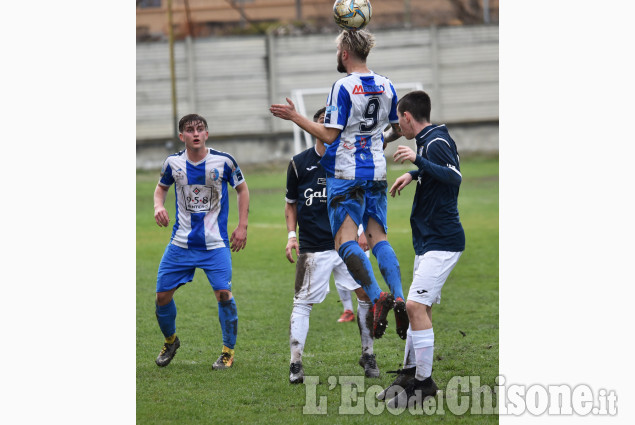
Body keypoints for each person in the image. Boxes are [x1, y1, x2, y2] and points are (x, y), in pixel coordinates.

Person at [270, 29, 408, 341]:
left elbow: (330, 135)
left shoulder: (342, 86)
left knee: (344, 242)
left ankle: (376, 297)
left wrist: (295, 116)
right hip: (376, 170)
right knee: (378, 238)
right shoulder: (386, 84)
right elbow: (398, 129)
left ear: (344, 52)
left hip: (346, 173)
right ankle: (398, 295)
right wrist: (376, 140)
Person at [377, 91, 465, 408]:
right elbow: (438, 169)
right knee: (421, 310)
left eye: (399, 119)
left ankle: (424, 384)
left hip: (442, 241)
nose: (398, 125)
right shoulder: (432, 139)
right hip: (429, 241)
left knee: (414, 307)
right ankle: (410, 374)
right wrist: (414, 175)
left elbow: (454, 177)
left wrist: (417, 161)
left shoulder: (434, 142)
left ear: (407, 116)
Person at [285, 107, 379, 383]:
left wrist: (363, 231)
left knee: (367, 296)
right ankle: (295, 362)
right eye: (321, 123)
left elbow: (361, 199)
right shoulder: (298, 164)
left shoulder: (351, 162)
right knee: (302, 303)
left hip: (349, 244)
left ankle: (368, 353)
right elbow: (291, 205)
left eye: (331, 124)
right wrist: (291, 236)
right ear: (313, 127)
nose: (326, 129)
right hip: (314, 246)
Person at [152, 113, 250, 370]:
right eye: (189, 130)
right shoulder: (173, 163)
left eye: (200, 129)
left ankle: (228, 352)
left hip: (215, 244)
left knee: (224, 295)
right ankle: (171, 341)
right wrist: (157, 206)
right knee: (162, 296)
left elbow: (242, 189)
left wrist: (242, 226)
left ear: (206, 134)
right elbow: (161, 187)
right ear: (181, 136)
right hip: (180, 243)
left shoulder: (224, 161)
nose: (195, 133)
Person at [337, 225, 369, 323]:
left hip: (357, 233)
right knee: (339, 274)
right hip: (337, 233)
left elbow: (371, 209)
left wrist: (364, 232)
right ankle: (348, 310)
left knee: (359, 275)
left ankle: (369, 311)